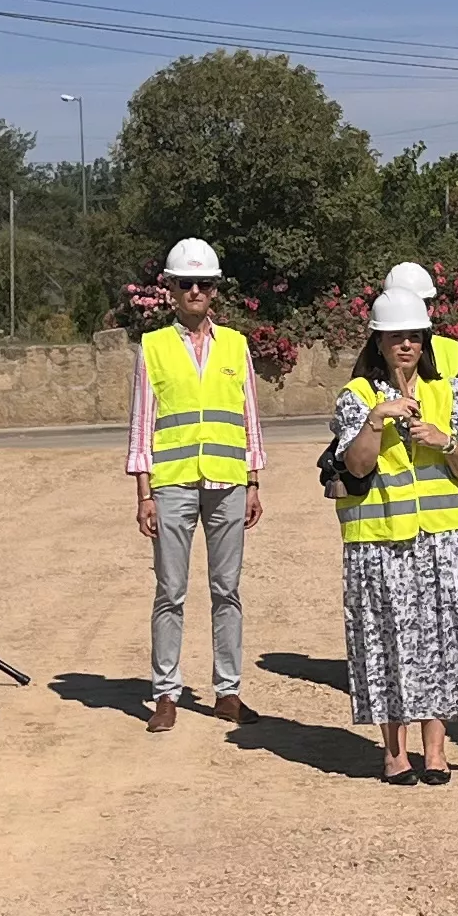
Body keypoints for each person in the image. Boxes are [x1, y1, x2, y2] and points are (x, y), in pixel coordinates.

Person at [330, 285, 458, 779]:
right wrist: (376, 421)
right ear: (378, 343)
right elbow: (356, 466)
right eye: (395, 337)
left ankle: (436, 750)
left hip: (444, 539)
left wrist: (445, 441)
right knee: (386, 640)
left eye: (415, 337)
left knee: (443, 638)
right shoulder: (357, 396)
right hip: (380, 541)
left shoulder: (450, 392)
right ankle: (394, 753)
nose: (406, 345)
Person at [128, 237, 264, 733]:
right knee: (171, 590)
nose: (195, 291)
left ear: (214, 289)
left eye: (203, 283)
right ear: (171, 289)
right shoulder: (153, 347)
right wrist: (144, 493)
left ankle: (228, 691)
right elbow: (142, 424)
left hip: (228, 482)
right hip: (173, 484)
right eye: (186, 283)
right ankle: (166, 693)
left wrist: (253, 481)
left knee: (227, 590)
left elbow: (249, 416)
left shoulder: (236, 346)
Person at [380, 259, 458, 386]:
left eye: (415, 308)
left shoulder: (452, 352)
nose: (406, 344)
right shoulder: (375, 351)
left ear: (430, 310)